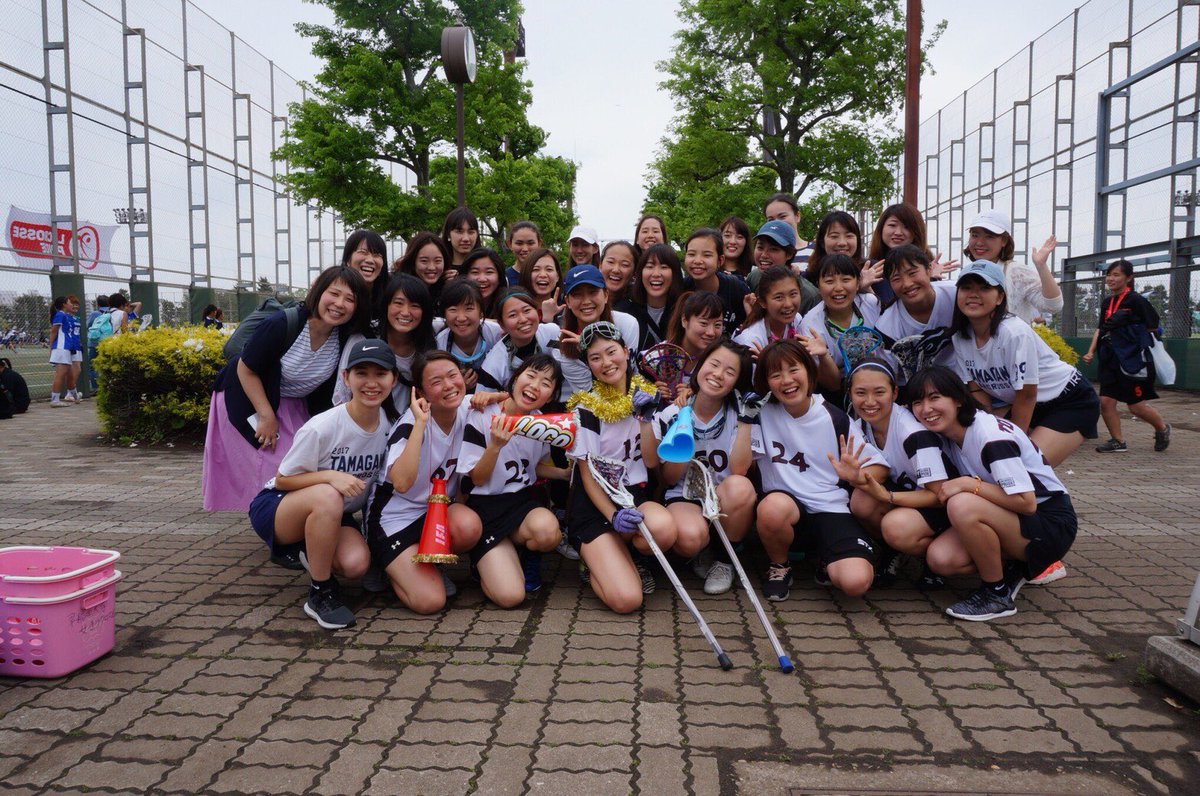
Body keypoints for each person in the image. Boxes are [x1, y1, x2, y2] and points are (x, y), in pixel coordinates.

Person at [908, 366, 1077, 622]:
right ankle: (1015, 567)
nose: (926, 409)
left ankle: (996, 595)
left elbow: (1027, 502)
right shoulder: (950, 434)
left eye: (935, 398)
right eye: (917, 402)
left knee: (962, 504)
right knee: (941, 559)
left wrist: (969, 484)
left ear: (958, 398)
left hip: (1050, 522)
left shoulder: (989, 435)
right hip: (1014, 516)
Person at [247, 339, 394, 629]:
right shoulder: (323, 426)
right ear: (346, 378)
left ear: (394, 379)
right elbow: (283, 479)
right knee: (329, 494)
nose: (371, 383)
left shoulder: (390, 425)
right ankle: (320, 593)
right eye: (361, 373)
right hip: (278, 507)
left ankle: (308, 546)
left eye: (381, 374)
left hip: (333, 513)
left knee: (355, 565)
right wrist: (330, 476)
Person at [202, 266, 370, 516]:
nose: (339, 304)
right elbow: (246, 369)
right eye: (334, 294)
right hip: (250, 397)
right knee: (276, 463)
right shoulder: (282, 324)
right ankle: (273, 521)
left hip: (293, 403)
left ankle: (288, 518)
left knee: (302, 463)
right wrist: (266, 415)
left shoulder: (344, 336)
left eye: (350, 299)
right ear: (318, 292)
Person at [749, 338, 886, 601]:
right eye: (775, 375)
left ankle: (826, 559)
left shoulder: (834, 417)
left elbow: (878, 466)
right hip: (786, 509)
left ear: (809, 371)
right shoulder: (759, 412)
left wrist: (858, 478)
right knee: (771, 508)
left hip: (830, 509)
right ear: (766, 382)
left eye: (794, 369)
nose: (787, 380)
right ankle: (780, 566)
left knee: (856, 583)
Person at [364, 352, 490, 614]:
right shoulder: (411, 424)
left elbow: (506, 401)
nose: (449, 385)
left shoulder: (466, 407)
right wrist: (420, 423)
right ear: (421, 392)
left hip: (435, 512)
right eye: (436, 382)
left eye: (453, 375)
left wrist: (493, 396)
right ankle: (385, 564)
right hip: (394, 518)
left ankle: (431, 562)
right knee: (430, 602)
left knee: (468, 526)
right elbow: (401, 483)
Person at [566, 321, 678, 611]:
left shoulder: (648, 397)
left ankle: (629, 555)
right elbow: (588, 476)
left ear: (626, 352)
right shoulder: (586, 408)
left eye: (611, 352)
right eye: (595, 358)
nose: (606, 362)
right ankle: (594, 562)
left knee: (664, 528)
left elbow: (651, 462)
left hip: (634, 495)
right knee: (627, 600)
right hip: (595, 505)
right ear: (589, 366)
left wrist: (645, 420)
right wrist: (613, 516)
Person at [950, 261, 1099, 466]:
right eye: (966, 288)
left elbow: (1027, 394)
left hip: (1069, 400)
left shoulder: (1014, 332)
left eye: (984, 288)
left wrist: (1011, 442)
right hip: (1028, 403)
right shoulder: (960, 338)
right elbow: (976, 389)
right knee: (991, 460)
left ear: (1000, 297)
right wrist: (989, 430)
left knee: (1027, 467)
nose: (973, 294)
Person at [459, 354, 570, 601]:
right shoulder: (482, 413)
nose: (535, 386)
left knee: (548, 532)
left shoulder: (540, 422)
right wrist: (495, 446)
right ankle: (484, 563)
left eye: (546, 383)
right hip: (484, 507)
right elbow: (477, 479)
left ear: (551, 396)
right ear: (515, 378)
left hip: (520, 503)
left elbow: (533, 466)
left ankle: (524, 554)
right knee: (510, 597)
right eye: (530, 376)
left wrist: (564, 474)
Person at [653, 340, 757, 595]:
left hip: (725, 495)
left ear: (737, 381)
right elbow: (669, 478)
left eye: (730, 372)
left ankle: (724, 560)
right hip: (684, 494)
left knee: (741, 487)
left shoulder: (741, 413)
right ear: (700, 366)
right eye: (714, 364)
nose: (718, 375)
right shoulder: (671, 413)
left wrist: (745, 421)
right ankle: (702, 551)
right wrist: (683, 429)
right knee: (689, 539)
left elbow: (740, 470)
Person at [845, 359, 955, 590]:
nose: (870, 402)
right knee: (861, 500)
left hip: (946, 507)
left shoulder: (912, 432)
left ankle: (934, 557)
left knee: (895, 527)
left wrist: (887, 497)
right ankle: (893, 551)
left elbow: (939, 496)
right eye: (861, 393)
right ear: (850, 394)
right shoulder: (860, 425)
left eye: (879, 392)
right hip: (910, 495)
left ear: (895, 393)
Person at [1083, 259, 1171, 453]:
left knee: (1136, 407)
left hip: (1131, 360)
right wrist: (1091, 351)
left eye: (1116, 275)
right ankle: (1118, 441)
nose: (1110, 279)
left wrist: (1130, 332)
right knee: (1106, 402)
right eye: (1108, 275)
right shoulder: (1107, 302)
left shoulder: (1136, 301)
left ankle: (1162, 428)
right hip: (1110, 358)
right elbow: (1101, 328)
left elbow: (1153, 326)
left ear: (1129, 278)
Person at [334, 273, 435, 421]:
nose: (405, 312)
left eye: (415, 306)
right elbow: (342, 394)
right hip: (368, 425)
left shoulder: (429, 342)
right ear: (386, 305)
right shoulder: (364, 339)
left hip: (412, 425)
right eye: (398, 303)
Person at [798, 254, 883, 396]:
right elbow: (833, 385)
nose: (838, 288)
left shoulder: (870, 303)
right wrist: (824, 356)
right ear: (818, 285)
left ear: (858, 283)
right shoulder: (809, 327)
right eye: (829, 281)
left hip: (876, 379)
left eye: (846, 280)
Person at [963, 210, 1061, 325]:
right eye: (974, 235)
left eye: (989, 236)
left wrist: (1041, 266)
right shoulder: (966, 273)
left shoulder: (1016, 272)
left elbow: (1053, 306)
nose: (979, 242)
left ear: (1004, 241)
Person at [877, 244, 957, 383]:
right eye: (896, 279)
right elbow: (887, 379)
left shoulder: (956, 295)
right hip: (914, 386)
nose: (907, 284)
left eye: (912, 273)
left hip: (959, 379)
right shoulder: (886, 326)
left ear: (929, 269)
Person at [478, 289, 562, 397]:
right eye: (513, 315)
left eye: (527, 310)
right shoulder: (493, 366)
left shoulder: (551, 333)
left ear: (537, 312)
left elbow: (567, 368)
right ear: (502, 324)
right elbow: (483, 402)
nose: (523, 319)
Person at [435, 279, 504, 393]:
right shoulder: (439, 344)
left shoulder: (497, 334)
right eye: (453, 310)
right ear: (444, 314)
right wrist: (458, 385)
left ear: (481, 312)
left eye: (469, 309)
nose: (461, 318)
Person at [617, 243, 684, 352]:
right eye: (649, 267)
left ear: (675, 273)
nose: (656, 274)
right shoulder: (624, 310)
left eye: (664, 267)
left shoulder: (684, 310)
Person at [682, 227, 750, 332]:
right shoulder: (680, 288)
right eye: (691, 254)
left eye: (707, 255)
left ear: (720, 260)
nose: (697, 261)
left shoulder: (736, 288)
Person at [663, 292, 726, 401]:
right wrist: (653, 391)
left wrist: (696, 395)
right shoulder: (656, 356)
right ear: (684, 321)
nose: (711, 332)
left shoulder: (721, 364)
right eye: (704, 323)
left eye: (717, 325)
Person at [748, 221, 819, 312]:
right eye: (760, 248)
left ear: (789, 254)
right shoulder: (754, 277)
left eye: (773, 249)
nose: (764, 255)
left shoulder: (809, 296)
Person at [340, 230, 389, 320]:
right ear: (348, 259)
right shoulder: (331, 288)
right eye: (363, 252)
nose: (370, 260)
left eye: (377, 255)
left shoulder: (391, 295)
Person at [394, 232, 449, 309]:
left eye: (438, 261)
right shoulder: (397, 288)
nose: (432, 267)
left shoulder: (447, 289)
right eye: (424, 261)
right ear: (412, 261)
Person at [763, 192, 813, 271]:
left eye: (782, 216)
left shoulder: (816, 251)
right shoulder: (763, 254)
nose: (777, 223)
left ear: (797, 216)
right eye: (771, 219)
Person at [48, 295, 81, 407]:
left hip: (67, 348)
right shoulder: (60, 315)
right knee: (60, 374)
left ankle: (76, 396)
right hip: (61, 348)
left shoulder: (66, 316)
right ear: (64, 305)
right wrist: (51, 347)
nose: (72, 305)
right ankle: (55, 400)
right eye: (69, 302)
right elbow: (54, 331)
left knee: (70, 375)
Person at [517, 247, 563, 322]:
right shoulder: (516, 312)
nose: (543, 275)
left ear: (557, 276)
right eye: (536, 269)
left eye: (549, 269)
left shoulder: (566, 312)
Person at [462, 248, 506, 319]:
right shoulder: (454, 303)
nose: (482, 279)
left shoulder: (509, 303)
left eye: (489, 272)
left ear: (499, 276)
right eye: (475, 272)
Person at [441, 207, 480, 278]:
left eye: (471, 232)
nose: (466, 238)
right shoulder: (439, 269)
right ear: (448, 234)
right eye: (459, 232)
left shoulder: (486, 267)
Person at [505, 221, 542, 286]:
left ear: (539, 244)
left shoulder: (547, 278)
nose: (525, 249)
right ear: (510, 245)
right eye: (519, 243)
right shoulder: (504, 279)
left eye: (530, 243)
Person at [719, 216, 754, 280]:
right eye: (727, 236)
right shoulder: (710, 271)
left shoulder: (754, 272)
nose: (733, 242)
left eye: (739, 237)